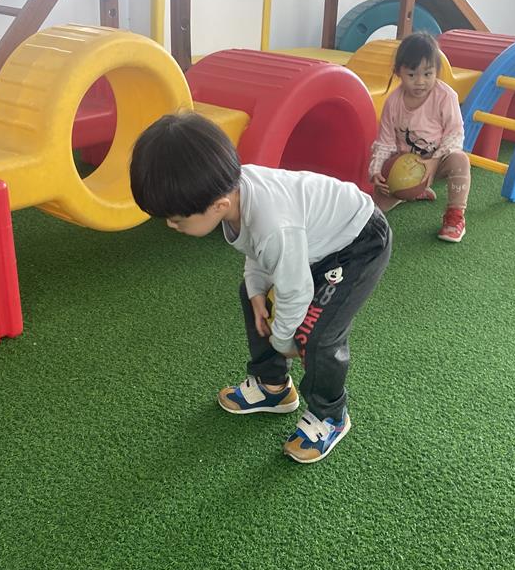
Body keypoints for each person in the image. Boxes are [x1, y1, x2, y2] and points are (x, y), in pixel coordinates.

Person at [130, 112, 392, 464]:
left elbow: (294, 288)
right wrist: (256, 290)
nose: (171, 225)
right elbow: (257, 251)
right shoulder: (236, 195)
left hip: (358, 243)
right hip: (311, 243)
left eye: (177, 219)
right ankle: (273, 386)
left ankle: (331, 415)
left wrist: (284, 339)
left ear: (218, 206)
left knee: (317, 335)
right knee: (251, 295)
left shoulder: (273, 223)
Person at [369, 32, 471, 242]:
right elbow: (385, 142)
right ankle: (415, 191)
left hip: (438, 161)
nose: (420, 82)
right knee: (374, 208)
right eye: (412, 74)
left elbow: (455, 134)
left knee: (460, 160)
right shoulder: (393, 102)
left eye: (427, 74)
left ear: (436, 72)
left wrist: (433, 162)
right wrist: (377, 171)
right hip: (407, 169)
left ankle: (455, 216)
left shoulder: (445, 96)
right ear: (398, 71)